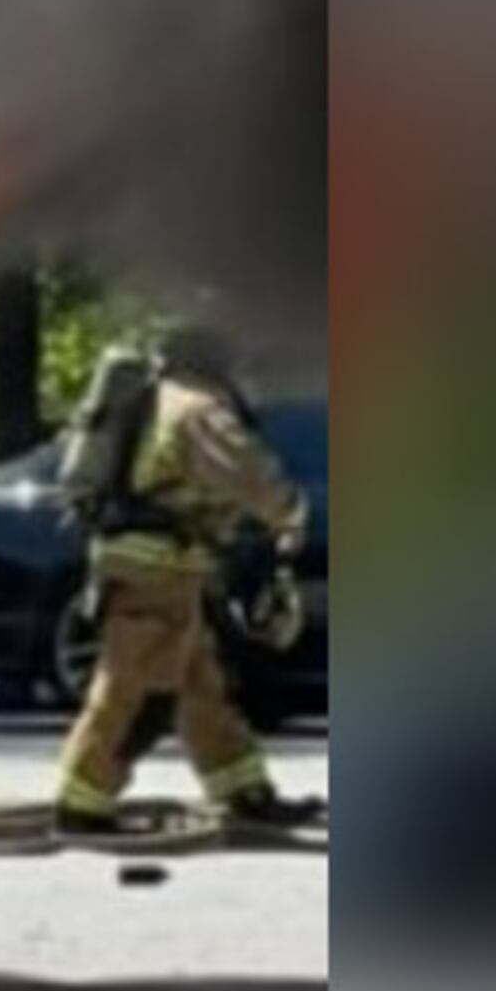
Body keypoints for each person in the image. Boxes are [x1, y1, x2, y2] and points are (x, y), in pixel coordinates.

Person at [56, 323, 323, 837]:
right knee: (134, 691)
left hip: (162, 565)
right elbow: (245, 472)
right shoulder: (197, 409)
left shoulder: (162, 399)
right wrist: (288, 512)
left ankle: (242, 789)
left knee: (200, 685)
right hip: (155, 567)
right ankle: (83, 803)